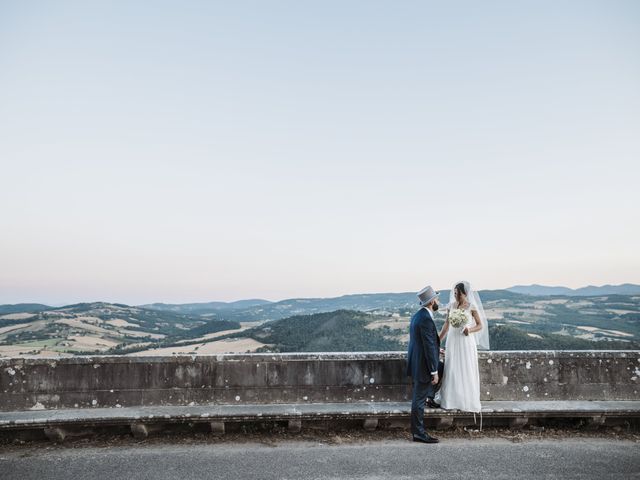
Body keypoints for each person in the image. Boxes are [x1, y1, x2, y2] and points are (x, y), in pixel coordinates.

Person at [438, 280, 489, 413]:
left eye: (458, 294)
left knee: (466, 368)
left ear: (465, 293)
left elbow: (480, 325)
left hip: (466, 341)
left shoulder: (471, 307)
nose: (456, 296)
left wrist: (469, 330)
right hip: (452, 340)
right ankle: (451, 400)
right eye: (454, 293)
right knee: (452, 368)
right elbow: (446, 325)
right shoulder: (451, 306)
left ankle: (466, 400)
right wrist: (437, 340)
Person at [406, 285, 444, 444]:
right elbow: (427, 346)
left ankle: (430, 397)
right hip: (423, 365)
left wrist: (437, 349)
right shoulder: (426, 319)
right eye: (436, 299)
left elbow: (423, 342)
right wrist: (433, 371)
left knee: (419, 397)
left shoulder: (417, 316)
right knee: (418, 400)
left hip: (416, 362)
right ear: (431, 302)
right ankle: (418, 433)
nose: (438, 301)